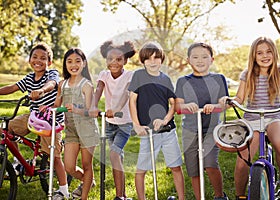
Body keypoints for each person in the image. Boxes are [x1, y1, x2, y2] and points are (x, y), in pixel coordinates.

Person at [220, 37, 280, 199]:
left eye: (269, 51)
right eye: (260, 53)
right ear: (254, 56)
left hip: (274, 116)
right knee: (243, 161)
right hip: (251, 119)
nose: (265, 56)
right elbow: (240, 98)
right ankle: (240, 195)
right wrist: (230, 101)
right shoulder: (247, 73)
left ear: (274, 53)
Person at [0, 42, 69, 199]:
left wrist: (41, 90)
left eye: (43, 58)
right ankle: (18, 163)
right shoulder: (29, 78)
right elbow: (12, 87)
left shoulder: (51, 74)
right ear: (30, 59)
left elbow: (51, 85)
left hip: (51, 121)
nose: (38, 60)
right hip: (34, 117)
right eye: (35, 57)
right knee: (6, 128)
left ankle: (64, 189)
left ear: (49, 62)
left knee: (54, 156)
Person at [128, 41, 185, 200]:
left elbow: (173, 104)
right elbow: (132, 100)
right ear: (143, 61)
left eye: (156, 58)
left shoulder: (166, 79)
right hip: (147, 132)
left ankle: (182, 198)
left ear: (162, 59)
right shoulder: (138, 76)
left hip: (168, 131)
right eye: (148, 59)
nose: (152, 62)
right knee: (141, 170)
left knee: (175, 167)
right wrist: (136, 125)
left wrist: (165, 120)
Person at [175, 42, 229, 200]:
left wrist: (215, 106)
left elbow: (224, 103)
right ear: (188, 60)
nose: (200, 60)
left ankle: (219, 196)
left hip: (211, 130)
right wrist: (187, 106)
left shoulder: (218, 79)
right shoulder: (183, 81)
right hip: (190, 131)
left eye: (205, 57)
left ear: (212, 59)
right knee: (194, 169)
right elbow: (178, 107)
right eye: (196, 57)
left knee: (210, 163)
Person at [89, 40, 136, 200]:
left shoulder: (130, 75)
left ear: (125, 61)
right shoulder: (104, 75)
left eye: (118, 59)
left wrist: (116, 109)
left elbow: (127, 94)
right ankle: (122, 195)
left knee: (114, 155)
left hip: (125, 123)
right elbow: (98, 90)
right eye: (110, 59)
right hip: (109, 124)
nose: (114, 63)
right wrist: (94, 106)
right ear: (106, 60)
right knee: (118, 157)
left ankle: (118, 197)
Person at [53, 48, 99, 200]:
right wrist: (48, 108)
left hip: (87, 129)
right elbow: (57, 104)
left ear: (84, 64)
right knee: (69, 167)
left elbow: (90, 111)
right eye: (70, 61)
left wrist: (78, 109)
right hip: (71, 129)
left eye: (78, 61)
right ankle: (88, 181)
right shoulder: (62, 84)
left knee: (87, 165)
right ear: (65, 64)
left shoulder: (86, 85)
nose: (74, 65)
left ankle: (83, 197)